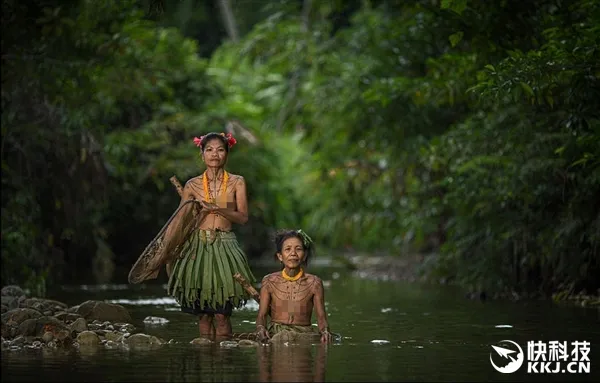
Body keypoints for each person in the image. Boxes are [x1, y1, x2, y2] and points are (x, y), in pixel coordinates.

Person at [128, 132, 256, 339]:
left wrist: (216, 208)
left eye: (220, 149)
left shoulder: (237, 182)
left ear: (227, 154)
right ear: (202, 154)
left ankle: (225, 359)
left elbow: (242, 218)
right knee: (203, 315)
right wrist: (165, 252)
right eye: (209, 150)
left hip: (225, 245)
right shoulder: (192, 185)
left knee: (222, 314)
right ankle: (206, 359)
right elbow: (179, 221)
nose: (215, 154)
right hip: (196, 248)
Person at [255, 229, 333, 344]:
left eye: (298, 249)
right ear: (280, 256)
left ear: (305, 255)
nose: (293, 253)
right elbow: (261, 315)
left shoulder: (314, 283)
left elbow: (321, 318)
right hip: (276, 333)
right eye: (288, 249)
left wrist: (325, 331)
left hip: (303, 333)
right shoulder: (269, 281)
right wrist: (261, 328)